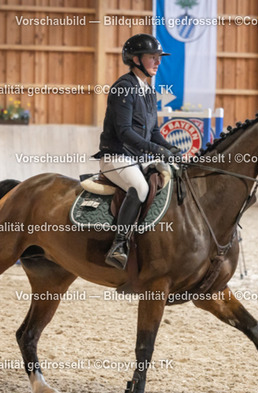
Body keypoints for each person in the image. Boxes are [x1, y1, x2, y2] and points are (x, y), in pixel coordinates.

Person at [98, 33, 180, 270]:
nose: (158, 62)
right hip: (116, 156)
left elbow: (153, 131)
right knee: (140, 189)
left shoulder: (148, 91)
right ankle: (119, 245)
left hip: (138, 158)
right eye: (152, 57)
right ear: (136, 59)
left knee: (171, 177)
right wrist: (157, 150)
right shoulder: (124, 88)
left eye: (159, 57)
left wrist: (170, 148)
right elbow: (124, 132)